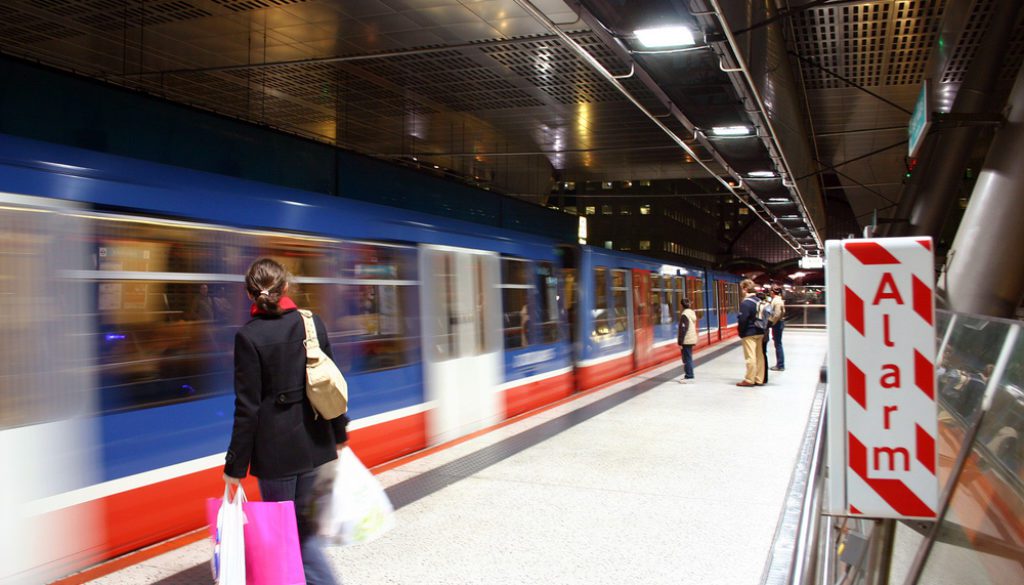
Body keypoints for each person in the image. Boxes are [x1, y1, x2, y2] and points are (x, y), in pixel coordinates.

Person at [223, 258, 348, 585]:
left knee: (292, 533)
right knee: (302, 528)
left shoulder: (248, 337)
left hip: (277, 456)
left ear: (249, 295)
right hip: (315, 444)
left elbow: (247, 409)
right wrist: (339, 433)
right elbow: (330, 383)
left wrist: (235, 467)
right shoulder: (312, 323)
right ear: (286, 288)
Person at [737, 279, 766, 387]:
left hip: (749, 333)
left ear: (745, 289)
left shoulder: (746, 303)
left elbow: (743, 319)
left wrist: (741, 332)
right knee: (759, 356)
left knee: (750, 356)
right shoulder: (759, 300)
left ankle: (749, 380)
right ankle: (759, 379)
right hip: (760, 331)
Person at [677, 298, 698, 382]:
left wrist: (680, 342)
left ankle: (689, 375)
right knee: (688, 357)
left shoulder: (684, 315)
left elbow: (683, 329)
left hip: (686, 339)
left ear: (681, 305)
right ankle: (689, 374)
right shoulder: (691, 313)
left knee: (687, 358)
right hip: (691, 338)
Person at [769, 287, 786, 371]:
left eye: (770, 292)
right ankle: (780, 364)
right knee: (778, 344)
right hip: (779, 323)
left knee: (778, 344)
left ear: (773, 292)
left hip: (777, 324)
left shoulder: (776, 301)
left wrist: (772, 323)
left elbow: (777, 314)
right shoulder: (779, 300)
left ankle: (780, 365)